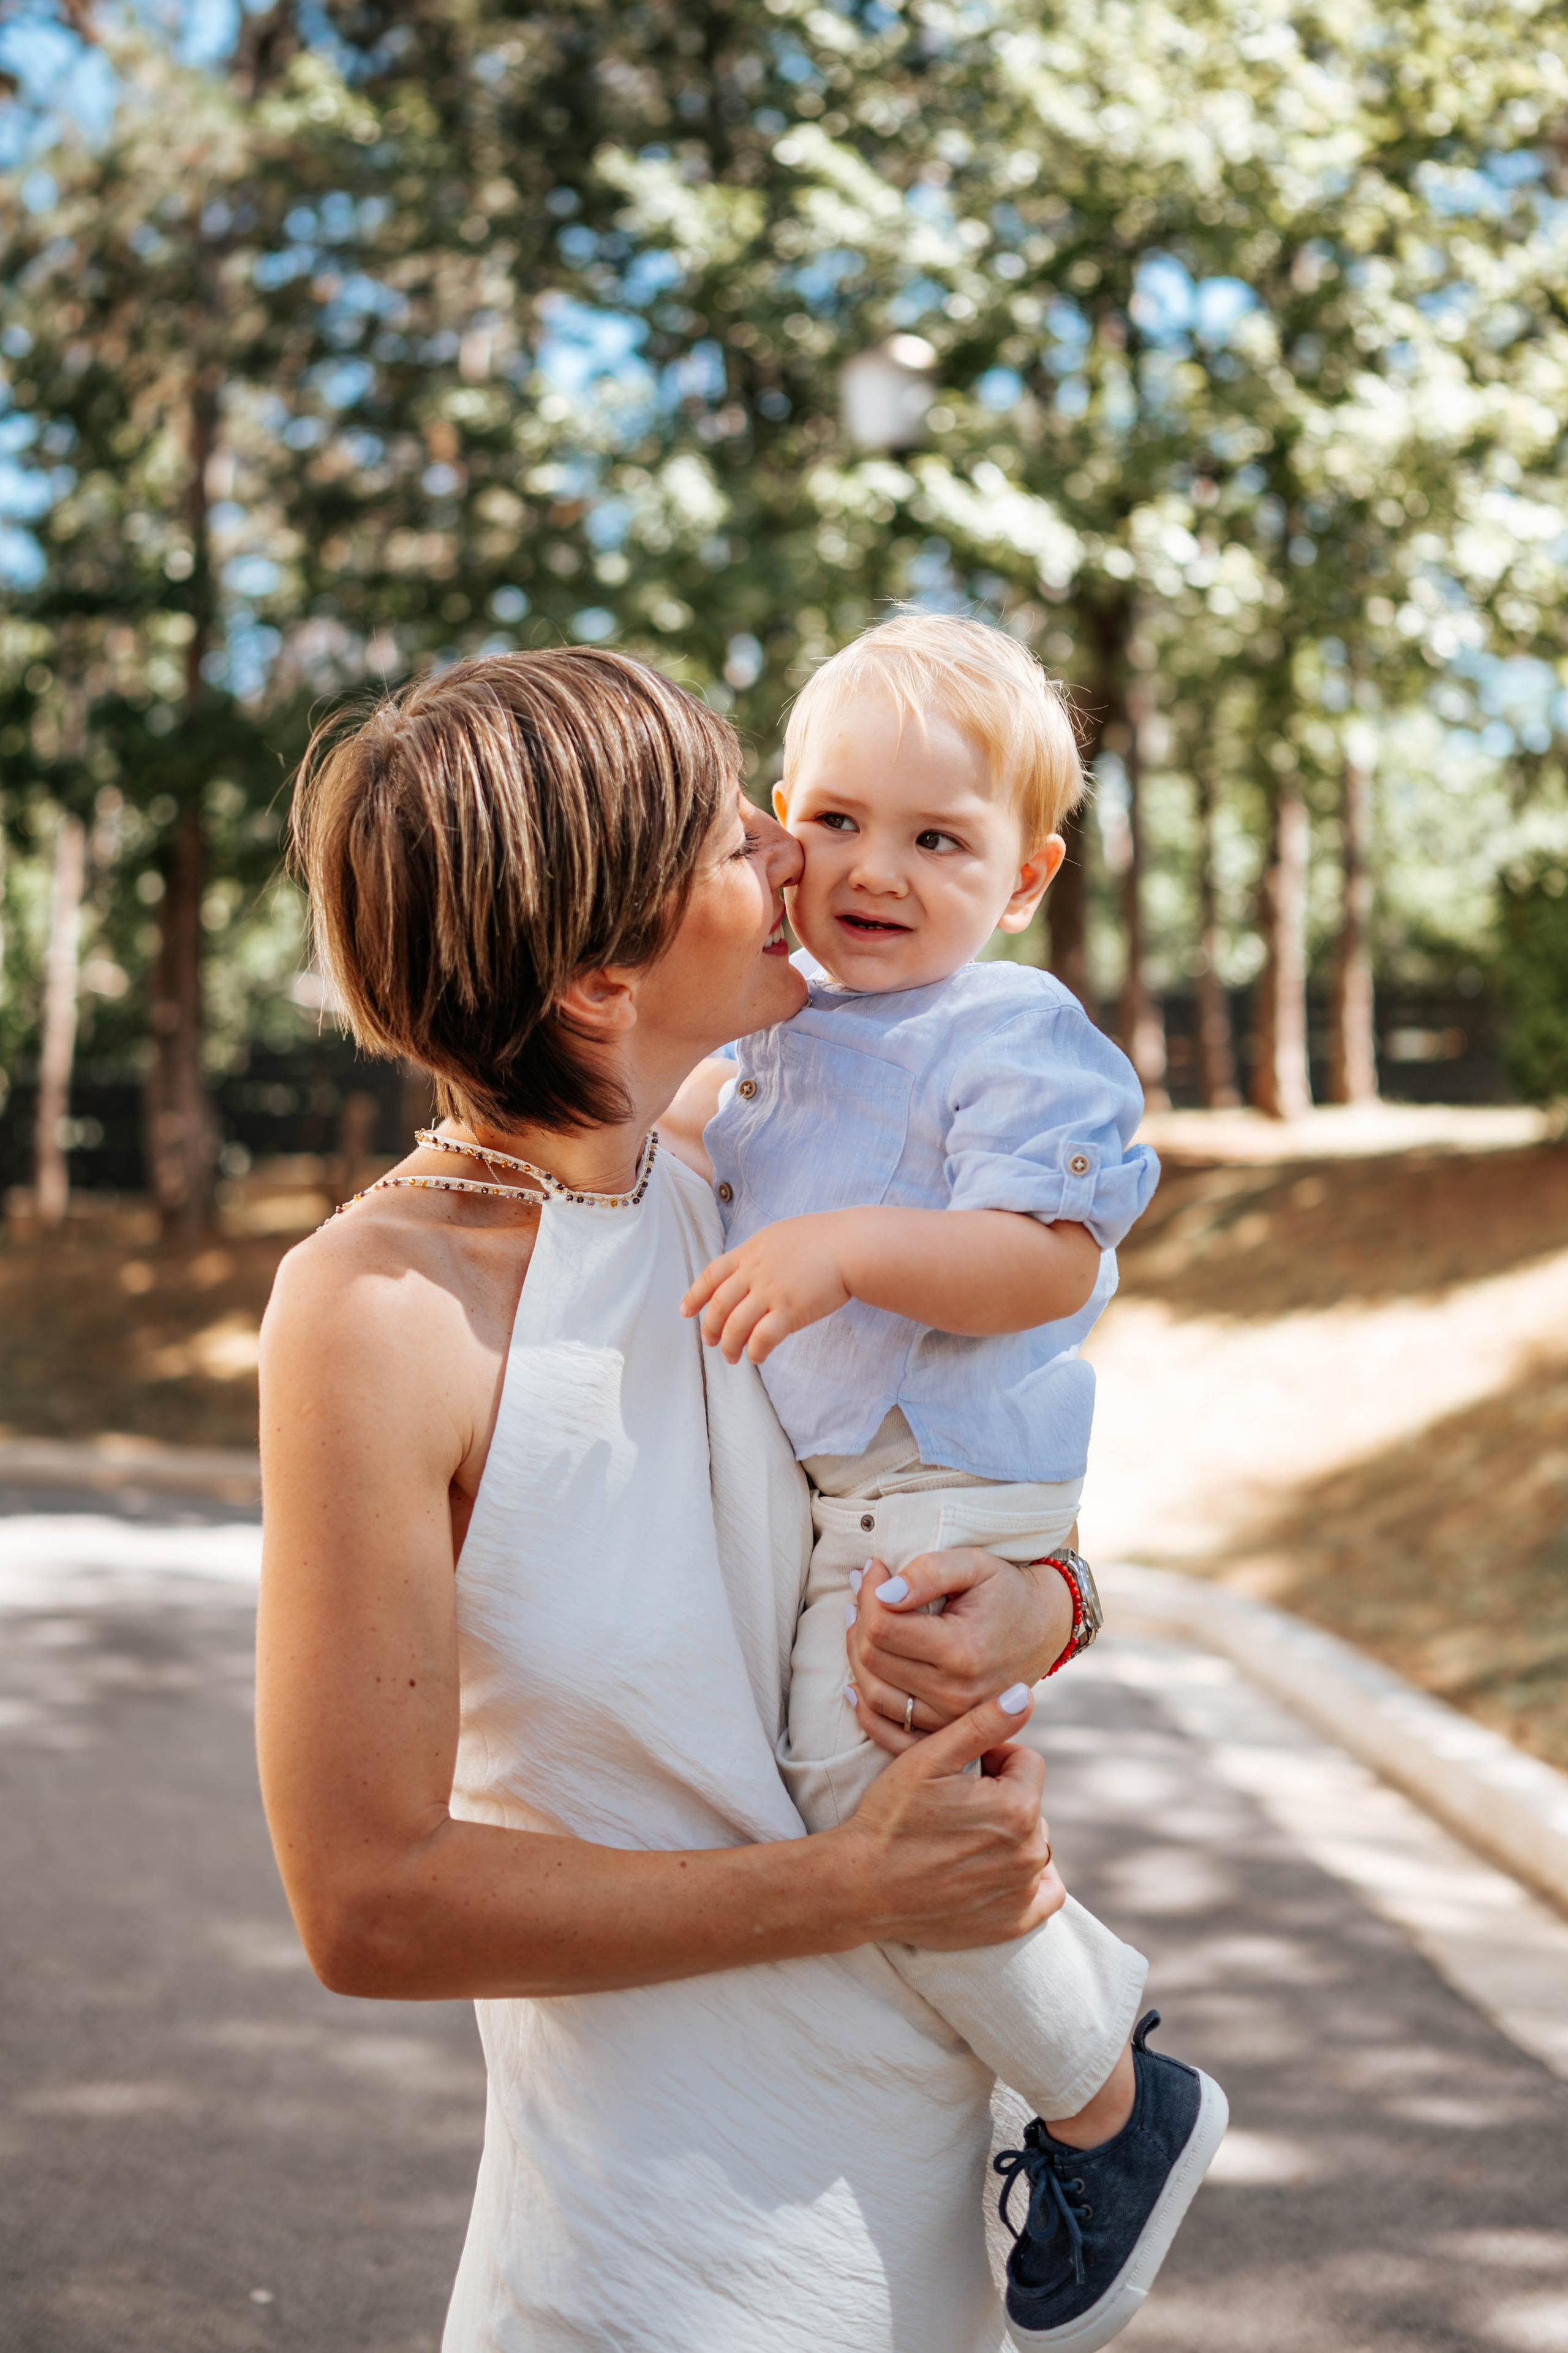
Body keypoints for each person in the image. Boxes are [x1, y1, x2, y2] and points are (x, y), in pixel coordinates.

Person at [257, 646, 1102, 2353]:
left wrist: (1054, 1604)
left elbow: (943, 1487)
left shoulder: (744, 1196)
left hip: (926, 2177)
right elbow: (368, 1900)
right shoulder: (377, 1310)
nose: (793, 853)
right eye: (733, 841)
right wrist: (852, 1885)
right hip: (651, 2254)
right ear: (595, 983)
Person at [668, 613, 1227, 2348]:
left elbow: (1050, 1260)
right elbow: (681, 1137)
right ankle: (1051, 2024)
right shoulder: (779, 1035)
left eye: (940, 839)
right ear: (775, 820)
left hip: (948, 1475)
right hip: (856, 1486)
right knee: (843, 1769)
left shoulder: (1012, 1024)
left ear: (1028, 872)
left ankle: (1105, 2102)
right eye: (834, 820)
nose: (875, 870)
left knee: (864, 1782)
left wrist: (851, 1246)